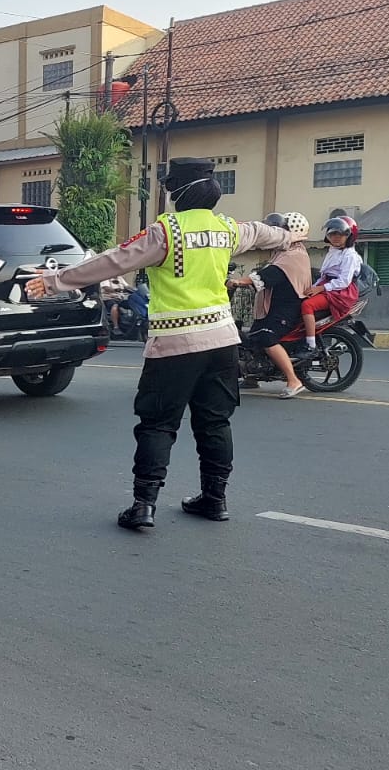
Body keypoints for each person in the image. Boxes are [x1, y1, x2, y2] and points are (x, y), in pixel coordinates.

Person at [26, 158, 292, 530]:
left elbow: (112, 262)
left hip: (175, 343)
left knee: (158, 424)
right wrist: (289, 237)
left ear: (178, 193)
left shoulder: (165, 232)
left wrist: (54, 281)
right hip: (222, 342)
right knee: (215, 422)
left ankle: (144, 505)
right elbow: (267, 234)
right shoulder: (227, 229)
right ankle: (215, 499)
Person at [231, 213, 313, 397]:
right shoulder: (282, 252)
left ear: (290, 232)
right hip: (274, 306)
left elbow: (271, 275)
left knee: (267, 337)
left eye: (278, 231)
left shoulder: (294, 254)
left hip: (287, 307)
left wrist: (241, 281)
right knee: (252, 338)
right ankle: (252, 377)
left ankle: (293, 380)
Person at [302, 216, 363, 348]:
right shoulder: (333, 251)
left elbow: (344, 281)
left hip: (340, 292)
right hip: (327, 286)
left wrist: (320, 288)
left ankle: (310, 345)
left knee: (307, 305)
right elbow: (324, 275)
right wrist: (312, 287)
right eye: (332, 234)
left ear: (349, 236)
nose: (335, 237)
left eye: (340, 234)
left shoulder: (350, 256)